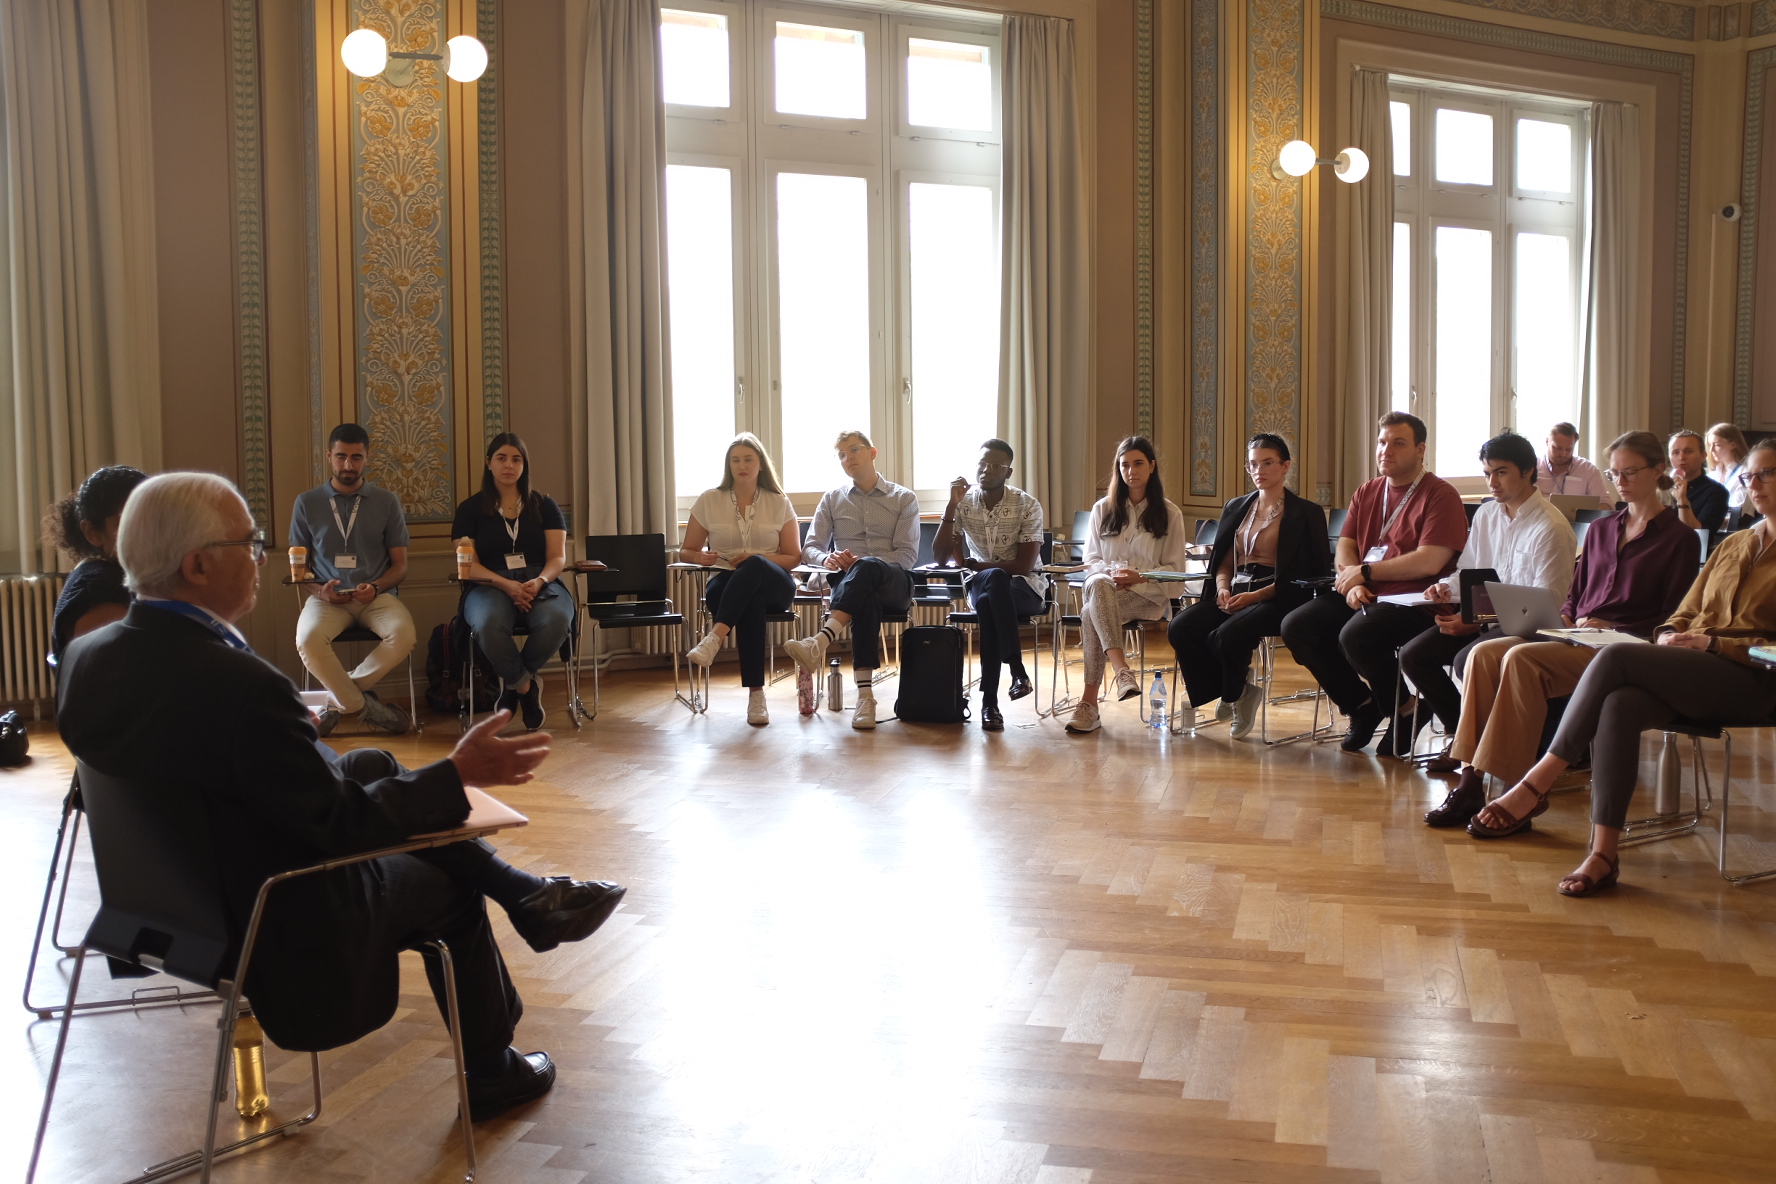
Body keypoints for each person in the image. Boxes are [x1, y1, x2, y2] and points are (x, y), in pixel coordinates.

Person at [57, 472, 627, 1121]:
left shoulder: (90, 655)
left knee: (371, 762)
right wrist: (457, 773)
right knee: (448, 883)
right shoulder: (240, 686)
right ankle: (493, 1065)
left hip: (172, 903)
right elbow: (339, 824)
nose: (262, 557)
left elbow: (218, 763)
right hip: (277, 915)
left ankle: (523, 892)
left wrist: (294, 739)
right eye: (249, 542)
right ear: (196, 565)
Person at [1462, 439, 1776, 896]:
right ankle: (1603, 854)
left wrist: (1713, 643)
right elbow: (1683, 612)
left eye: (1768, 473)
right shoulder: (1734, 545)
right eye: (1749, 476)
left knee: (1614, 656)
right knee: (1621, 704)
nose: (1756, 484)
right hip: (1692, 666)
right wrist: (1671, 634)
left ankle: (1538, 779)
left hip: (1755, 681)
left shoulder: (1684, 538)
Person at [1423, 431, 1698, 828]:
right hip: (1578, 634)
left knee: (1520, 658)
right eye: (1613, 473)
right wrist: (1567, 617)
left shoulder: (1679, 539)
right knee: (1482, 653)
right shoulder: (1602, 529)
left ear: (1658, 471)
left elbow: (1674, 616)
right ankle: (1470, 780)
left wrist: (1612, 623)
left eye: (1630, 472)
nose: (1619, 481)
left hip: (1627, 646)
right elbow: (1574, 595)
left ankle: (1519, 791)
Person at [1280, 412, 1468, 754]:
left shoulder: (1440, 494)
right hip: (1366, 592)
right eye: (1382, 442)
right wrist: (1352, 582)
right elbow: (1346, 545)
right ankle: (1363, 706)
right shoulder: (1368, 491)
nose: (1386, 450)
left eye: (1398, 443)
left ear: (1420, 449)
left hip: (1416, 600)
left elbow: (1430, 560)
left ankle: (1405, 710)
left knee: (1357, 635)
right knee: (1298, 626)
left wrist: (1365, 573)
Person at [1399, 431, 1576, 755]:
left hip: (1529, 630)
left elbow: (1545, 605)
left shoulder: (1550, 526)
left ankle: (1478, 745)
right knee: (1413, 656)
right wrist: (1446, 587)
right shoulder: (1486, 514)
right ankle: (1465, 737)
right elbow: (1469, 571)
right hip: (1485, 621)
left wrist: (1476, 621)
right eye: (1487, 473)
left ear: (1527, 471)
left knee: (1466, 659)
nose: (1492, 482)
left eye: (1501, 472)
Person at [1166, 434, 1329, 739]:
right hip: (1236, 589)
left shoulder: (1306, 513)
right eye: (1253, 464)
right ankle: (1237, 689)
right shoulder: (1236, 506)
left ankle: (1233, 692)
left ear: (1285, 466)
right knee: (1181, 627)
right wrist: (1223, 588)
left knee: (1228, 634)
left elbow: (1308, 573)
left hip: (1279, 596)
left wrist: (1255, 596)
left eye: (1267, 463)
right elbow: (1224, 560)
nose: (1259, 470)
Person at [784, 430, 919, 730]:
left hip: (894, 584)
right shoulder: (833, 499)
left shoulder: (904, 498)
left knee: (867, 567)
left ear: (873, 452)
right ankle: (865, 698)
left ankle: (821, 640)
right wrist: (826, 559)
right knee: (865, 599)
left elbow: (907, 555)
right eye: (842, 455)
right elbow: (810, 548)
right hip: (851, 586)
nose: (848, 458)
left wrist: (865, 563)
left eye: (854, 450)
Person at [290, 424, 415, 736]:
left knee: (403, 635)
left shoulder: (387, 501)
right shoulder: (306, 502)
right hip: (326, 599)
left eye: (356, 458)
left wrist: (376, 587)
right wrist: (320, 592)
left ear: (367, 458)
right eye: (341, 457)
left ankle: (335, 704)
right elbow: (299, 570)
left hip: (376, 596)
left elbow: (400, 566)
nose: (348, 465)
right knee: (307, 640)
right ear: (329, 456)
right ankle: (366, 707)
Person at [1064, 437, 1188, 735]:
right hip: (1106, 589)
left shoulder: (1170, 513)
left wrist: (1140, 576)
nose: (1131, 471)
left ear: (1152, 466)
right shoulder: (1102, 509)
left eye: (1138, 464)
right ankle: (1121, 671)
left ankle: (1089, 703)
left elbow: (1176, 574)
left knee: (1089, 613)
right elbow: (1091, 561)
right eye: (1125, 465)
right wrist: (1112, 574)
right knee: (1099, 585)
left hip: (1147, 597)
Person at [452, 434, 574, 732]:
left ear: (524, 465)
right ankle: (525, 688)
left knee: (558, 619)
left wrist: (540, 580)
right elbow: (468, 565)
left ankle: (512, 683)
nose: (509, 465)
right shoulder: (470, 509)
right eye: (501, 458)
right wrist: (506, 585)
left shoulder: (545, 505)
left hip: (539, 581)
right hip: (488, 582)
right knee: (488, 622)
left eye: (516, 459)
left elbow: (557, 557)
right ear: (489, 463)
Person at [682, 433, 801, 726]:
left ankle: (714, 638)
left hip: (775, 584)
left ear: (760, 464)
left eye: (748, 459)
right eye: (735, 460)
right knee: (751, 601)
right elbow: (687, 550)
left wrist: (754, 558)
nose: (742, 465)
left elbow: (793, 557)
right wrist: (700, 557)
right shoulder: (709, 499)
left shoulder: (779, 502)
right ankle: (756, 696)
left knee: (755, 564)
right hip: (725, 583)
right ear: (728, 465)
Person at [933, 438, 1047, 732]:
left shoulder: (1027, 504)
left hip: (1025, 587)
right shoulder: (964, 504)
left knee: (988, 603)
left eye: (995, 465)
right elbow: (941, 557)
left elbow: (1023, 566)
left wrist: (976, 566)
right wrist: (951, 506)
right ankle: (1016, 670)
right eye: (982, 464)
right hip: (983, 581)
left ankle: (989, 704)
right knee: (993, 581)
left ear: (1008, 472)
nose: (986, 470)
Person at [43, 465, 147, 667]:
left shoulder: (113, 573)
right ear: (92, 532)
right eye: (130, 521)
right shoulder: (101, 595)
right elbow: (125, 677)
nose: (148, 533)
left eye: (154, 520)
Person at [1536, 422, 1615, 512]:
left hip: (1578, 520)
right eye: (1558, 448)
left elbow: (1606, 504)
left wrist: (1584, 511)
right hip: (1540, 519)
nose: (1563, 454)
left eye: (1569, 449)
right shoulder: (1533, 466)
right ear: (1547, 441)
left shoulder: (1587, 469)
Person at [1666, 429, 1729, 532]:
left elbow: (1699, 534)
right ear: (1670, 458)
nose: (1681, 457)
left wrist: (1682, 499)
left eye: (1688, 451)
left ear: (1703, 456)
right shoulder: (1662, 488)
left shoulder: (1716, 492)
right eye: (1675, 452)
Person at [1707, 422, 1751, 525]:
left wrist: (1706, 522)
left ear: (1733, 445)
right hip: (1711, 526)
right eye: (1710, 445)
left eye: (1717, 445)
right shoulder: (1711, 475)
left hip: (1738, 529)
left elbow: (1737, 513)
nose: (1711, 450)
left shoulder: (1745, 473)